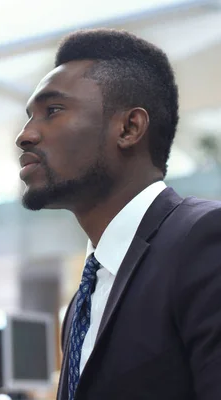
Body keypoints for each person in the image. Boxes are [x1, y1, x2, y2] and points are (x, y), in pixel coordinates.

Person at [16, 28, 221, 400]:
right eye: (30, 116)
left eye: (52, 111)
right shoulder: (82, 301)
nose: (25, 135)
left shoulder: (205, 239)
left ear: (129, 128)